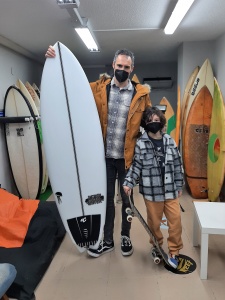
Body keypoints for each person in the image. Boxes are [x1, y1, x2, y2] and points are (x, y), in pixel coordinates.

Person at [45, 46, 151, 257]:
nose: (122, 69)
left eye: (126, 67)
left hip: (126, 159)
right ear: (113, 65)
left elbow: (150, 124)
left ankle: (125, 237)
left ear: (132, 69)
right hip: (102, 158)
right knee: (106, 199)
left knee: (126, 199)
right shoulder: (97, 88)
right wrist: (56, 63)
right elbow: (72, 90)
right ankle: (108, 240)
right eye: (119, 65)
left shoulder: (141, 94)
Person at [123, 107, 184, 268]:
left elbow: (178, 165)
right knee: (154, 223)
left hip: (170, 189)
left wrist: (179, 185)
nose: (153, 123)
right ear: (145, 123)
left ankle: (174, 250)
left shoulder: (169, 141)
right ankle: (157, 246)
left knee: (175, 221)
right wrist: (128, 182)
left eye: (157, 120)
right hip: (152, 192)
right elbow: (136, 166)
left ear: (161, 122)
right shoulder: (141, 144)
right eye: (150, 121)